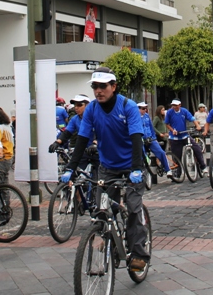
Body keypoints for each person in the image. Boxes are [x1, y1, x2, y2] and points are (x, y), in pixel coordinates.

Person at [61, 67, 149, 272]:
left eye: (103, 86)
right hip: (107, 168)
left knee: (134, 208)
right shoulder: (91, 109)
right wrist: (70, 168)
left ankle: (138, 253)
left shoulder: (128, 106)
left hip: (131, 167)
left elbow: (137, 138)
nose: (98, 91)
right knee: (100, 209)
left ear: (113, 86)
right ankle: (106, 234)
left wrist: (137, 169)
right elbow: (82, 139)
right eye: (95, 87)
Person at [165, 99, 207, 176]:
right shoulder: (169, 112)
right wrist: (172, 130)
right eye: (173, 105)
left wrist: (197, 125)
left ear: (180, 105)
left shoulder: (184, 111)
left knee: (196, 147)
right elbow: (167, 124)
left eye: (176, 105)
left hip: (184, 135)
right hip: (175, 137)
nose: (175, 107)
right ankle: (178, 172)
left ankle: (203, 166)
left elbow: (192, 118)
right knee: (177, 156)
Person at [137, 102, 172, 178]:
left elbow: (151, 127)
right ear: (138, 109)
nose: (145, 110)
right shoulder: (135, 117)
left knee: (161, 152)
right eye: (143, 108)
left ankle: (168, 169)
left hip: (150, 138)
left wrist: (154, 138)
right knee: (142, 156)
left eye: (145, 108)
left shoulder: (146, 116)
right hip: (141, 140)